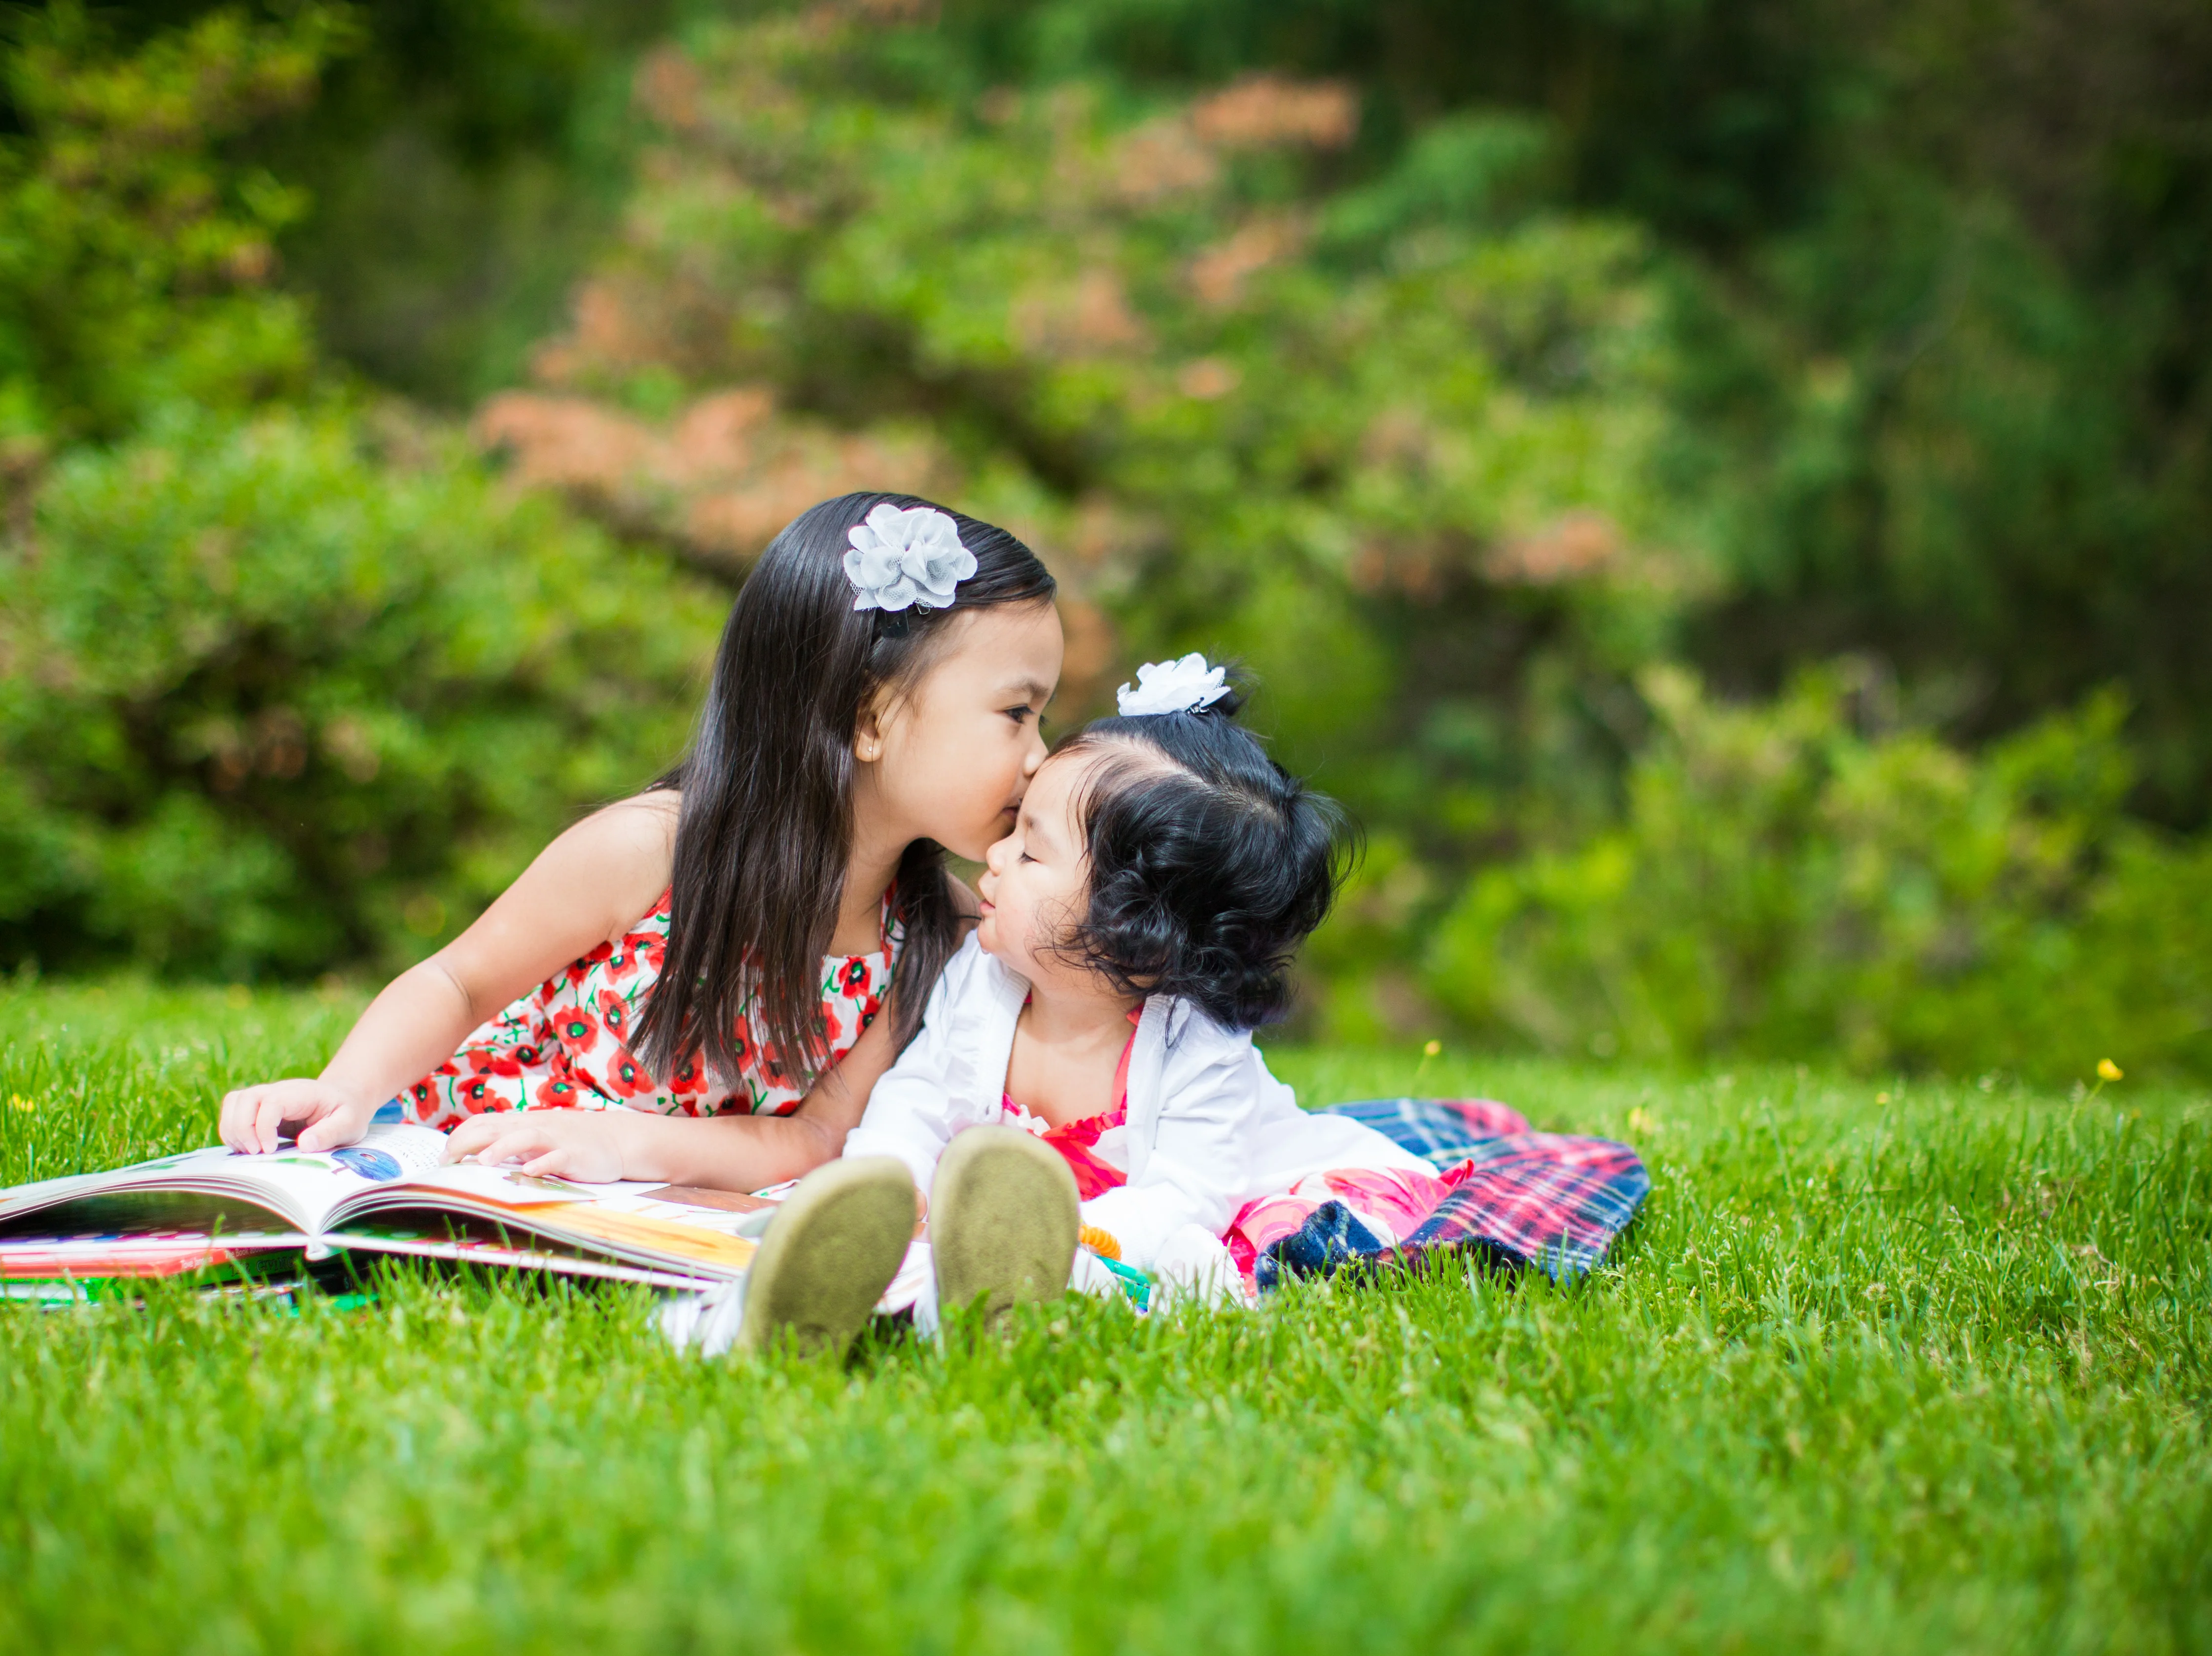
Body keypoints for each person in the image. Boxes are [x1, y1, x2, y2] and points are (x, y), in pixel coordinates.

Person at [215, 494, 1063, 1192]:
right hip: (478, 1153)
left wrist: (625, 1148)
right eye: (1016, 712)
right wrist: (346, 1089)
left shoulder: (936, 931)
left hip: (640, 1191)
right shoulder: (652, 851)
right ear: (869, 717)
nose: (1040, 755)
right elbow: (458, 981)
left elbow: (814, 1141)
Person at [683, 656, 1458, 1357]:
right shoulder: (982, 976)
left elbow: (1188, 1192)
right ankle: (797, 1295)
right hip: (1006, 1217)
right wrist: (893, 1180)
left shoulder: (1196, 1039)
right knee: (878, 1222)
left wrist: (1078, 1239)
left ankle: (1004, 1299)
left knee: (1188, 1260)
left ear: (1133, 933)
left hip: (1157, 1220)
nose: (992, 855)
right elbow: (915, 1097)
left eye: (1028, 850)